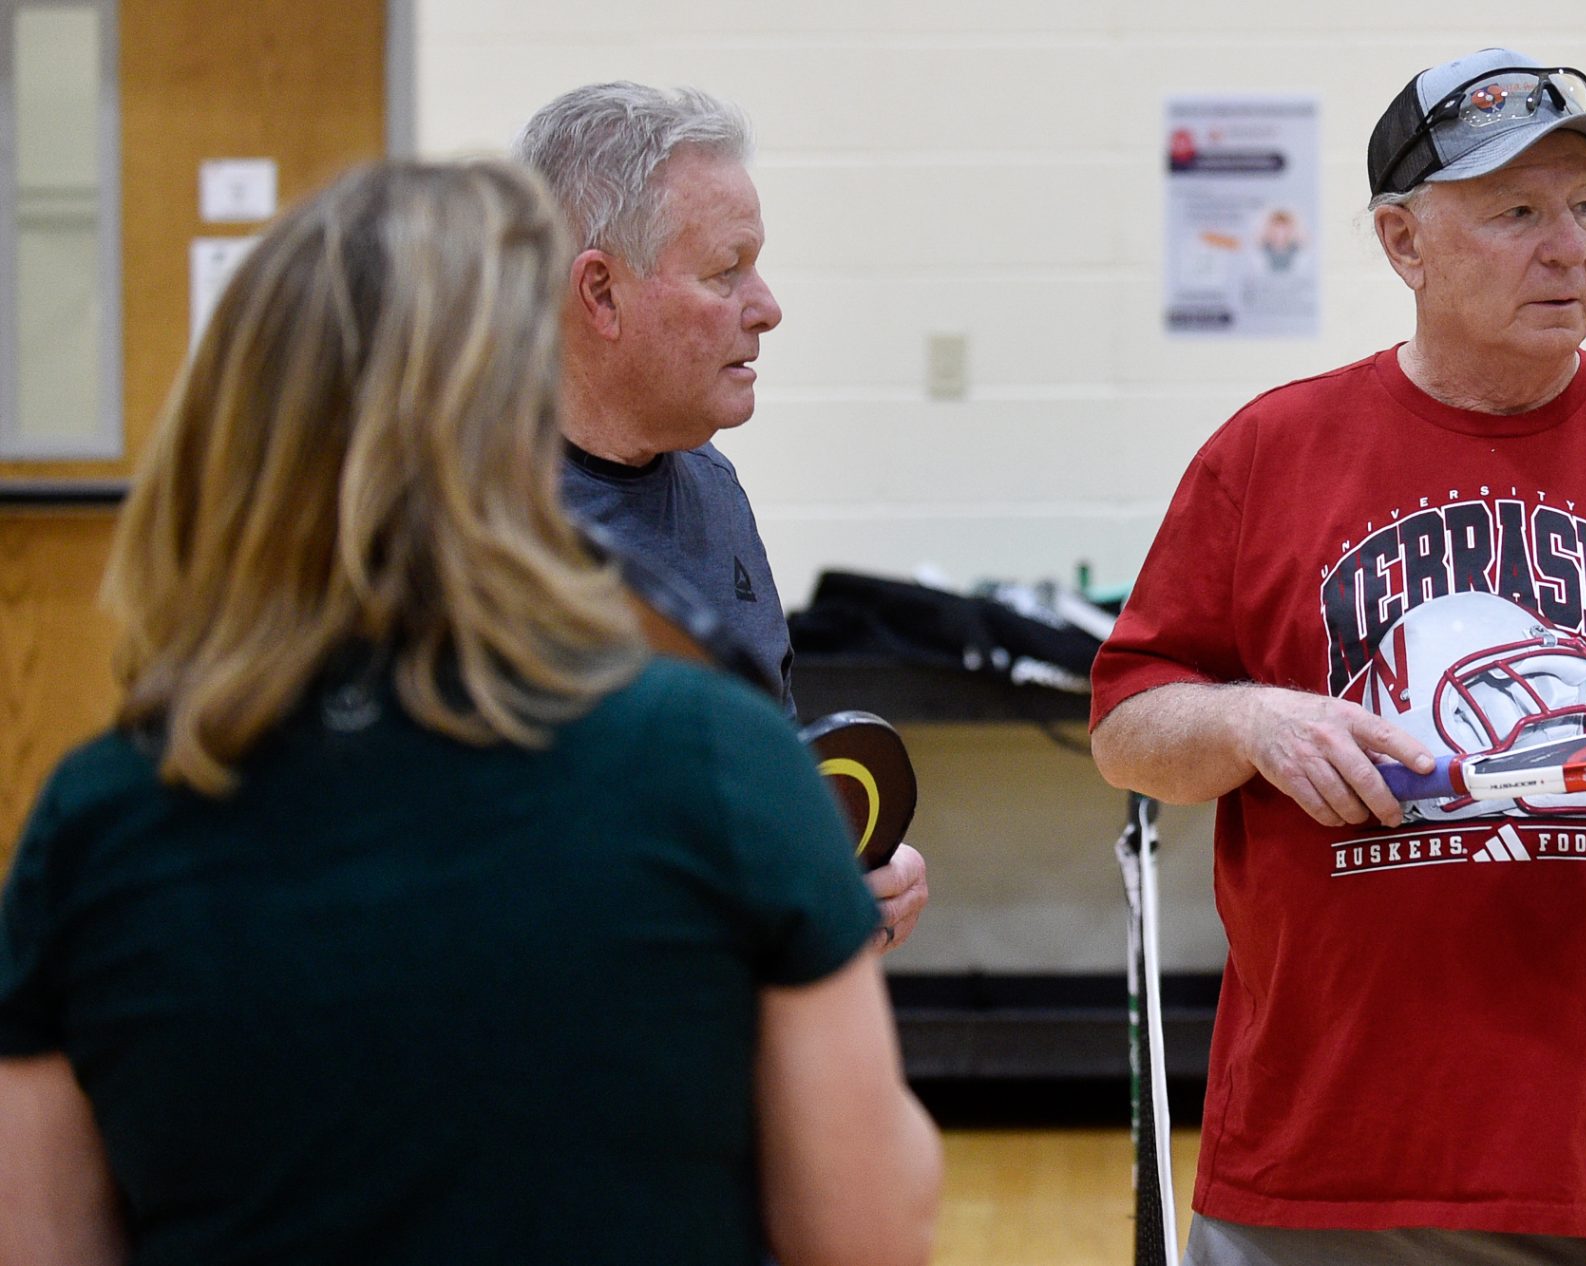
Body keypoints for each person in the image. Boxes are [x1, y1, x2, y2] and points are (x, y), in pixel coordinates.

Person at [0, 159, 940, 1266]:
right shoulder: (716, 764)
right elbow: (870, 1228)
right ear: (501, 411)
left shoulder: (97, 819)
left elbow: (40, 1236)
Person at [1090, 47, 1586, 1266]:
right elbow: (1128, 731)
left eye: (1584, 208)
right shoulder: (1267, 453)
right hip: (1319, 1168)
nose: (1568, 249)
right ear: (1403, 243)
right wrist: (1252, 723)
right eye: (1516, 213)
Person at [513, 82, 928, 953]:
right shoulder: (460, 524)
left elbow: (762, 782)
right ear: (601, 293)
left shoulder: (712, 488)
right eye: (725, 270)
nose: (767, 307)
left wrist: (838, 885)